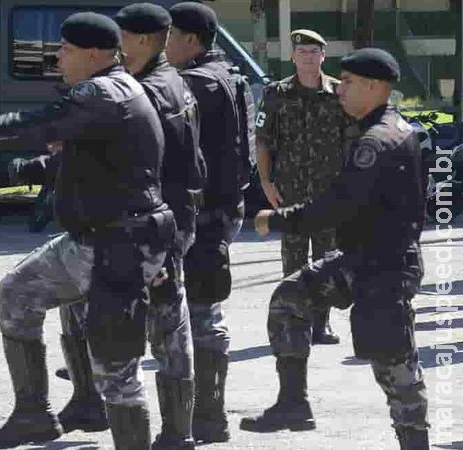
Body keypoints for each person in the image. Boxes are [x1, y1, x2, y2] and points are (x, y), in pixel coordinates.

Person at [0, 12, 175, 449]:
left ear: (94, 53)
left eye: (66, 49)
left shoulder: (98, 93)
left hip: (115, 245)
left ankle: (43, 414)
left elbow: (28, 124)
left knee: (116, 368)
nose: (58, 56)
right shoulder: (121, 87)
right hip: (114, 238)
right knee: (20, 293)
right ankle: (37, 414)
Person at [240, 48, 430, 450]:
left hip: (386, 269)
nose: (339, 89)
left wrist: (274, 220)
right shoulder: (379, 128)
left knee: (394, 367)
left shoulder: (378, 141)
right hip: (360, 259)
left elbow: (335, 206)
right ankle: (294, 403)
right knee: (290, 298)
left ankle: (416, 443)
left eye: (348, 82)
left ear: (376, 87)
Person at [48, 4, 208, 449]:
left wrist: (162, 244)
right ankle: (100, 404)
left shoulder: (146, 92)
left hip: (150, 227)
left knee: (154, 326)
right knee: (153, 323)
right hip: (159, 223)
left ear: (140, 40)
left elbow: (161, 170)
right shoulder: (167, 81)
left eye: (120, 35)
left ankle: (164, 427)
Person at [164, 2, 248, 443]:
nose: (162, 45)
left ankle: (208, 417)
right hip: (221, 210)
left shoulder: (197, 82)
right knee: (201, 310)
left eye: (169, 35)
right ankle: (208, 417)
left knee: (199, 313)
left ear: (191, 40)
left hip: (205, 216)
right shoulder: (227, 75)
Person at [256, 29, 356, 345]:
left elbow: (354, 143)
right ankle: (293, 324)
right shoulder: (276, 93)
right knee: (293, 262)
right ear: (293, 57)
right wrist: (265, 182)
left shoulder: (340, 93)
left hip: (330, 193)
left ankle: (321, 325)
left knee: (327, 260)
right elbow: (263, 141)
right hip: (290, 192)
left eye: (315, 51)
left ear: (324, 56)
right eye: (303, 52)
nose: (308, 57)